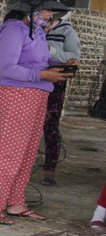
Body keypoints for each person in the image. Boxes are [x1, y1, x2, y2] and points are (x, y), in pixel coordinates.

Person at [0, 0, 77, 225]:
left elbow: (37, 62)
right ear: (31, 7)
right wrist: (43, 74)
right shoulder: (14, 29)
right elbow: (8, 68)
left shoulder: (35, 32)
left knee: (25, 154)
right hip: (17, 95)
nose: (49, 14)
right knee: (9, 153)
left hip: (36, 95)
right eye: (46, 9)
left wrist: (59, 66)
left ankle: (16, 203)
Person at [41, 12, 81, 185]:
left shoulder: (67, 31)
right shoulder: (33, 27)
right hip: (33, 79)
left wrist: (50, 50)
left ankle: (50, 169)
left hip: (55, 81)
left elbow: (74, 59)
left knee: (50, 124)